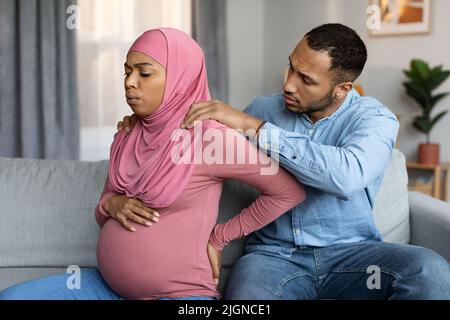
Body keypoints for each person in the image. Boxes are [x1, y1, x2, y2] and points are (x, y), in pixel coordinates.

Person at [117, 24, 450, 299]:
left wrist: (257, 129)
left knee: (431, 272)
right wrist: (142, 126)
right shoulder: (262, 108)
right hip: (273, 257)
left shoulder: (374, 120)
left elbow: (347, 175)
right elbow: (196, 141)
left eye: (306, 80)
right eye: (291, 66)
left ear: (342, 89)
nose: (288, 84)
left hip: (353, 255)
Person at [0, 28, 305, 300]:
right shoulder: (128, 133)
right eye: (127, 72)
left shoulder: (211, 138)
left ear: (179, 78)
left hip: (178, 294)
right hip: (107, 286)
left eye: (144, 74)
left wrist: (219, 237)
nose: (130, 83)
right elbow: (102, 210)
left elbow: (288, 191)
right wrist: (111, 203)